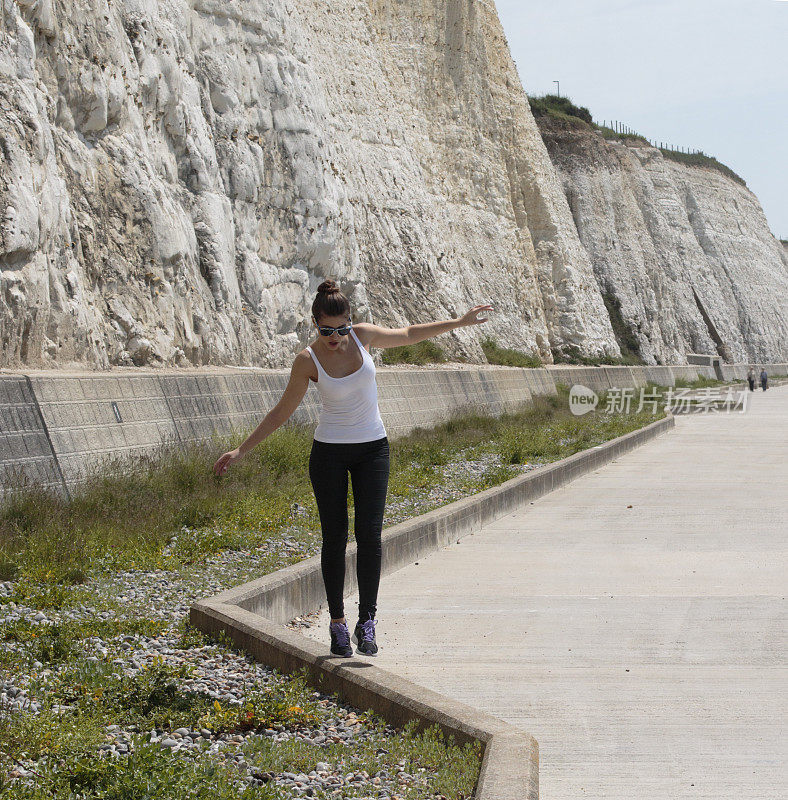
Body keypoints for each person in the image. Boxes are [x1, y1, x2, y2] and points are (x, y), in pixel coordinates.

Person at [213, 280, 492, 658]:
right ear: (315, 324)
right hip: (328, 454)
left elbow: (408, 334)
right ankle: (338, 625)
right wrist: (241, 450)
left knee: (370, 536)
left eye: (342, 328)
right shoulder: (307, 361)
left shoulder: (363, 338)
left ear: (350, 321)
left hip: (373, 450)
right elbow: (282, 411)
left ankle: (368, 621)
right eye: (327, 330)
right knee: (335, 538)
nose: (336, 337)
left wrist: (459, 322)